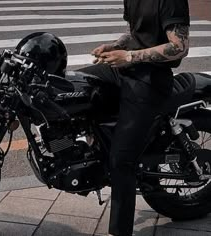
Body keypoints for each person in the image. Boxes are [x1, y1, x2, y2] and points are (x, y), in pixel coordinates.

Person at [78, 0, 190, 235]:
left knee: (121, 161)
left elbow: (180, 47)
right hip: (125, 70)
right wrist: (113, 46)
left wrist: (129, 57)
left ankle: (120, 231)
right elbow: (135, 34)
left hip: (152, 79)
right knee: (77, 84)